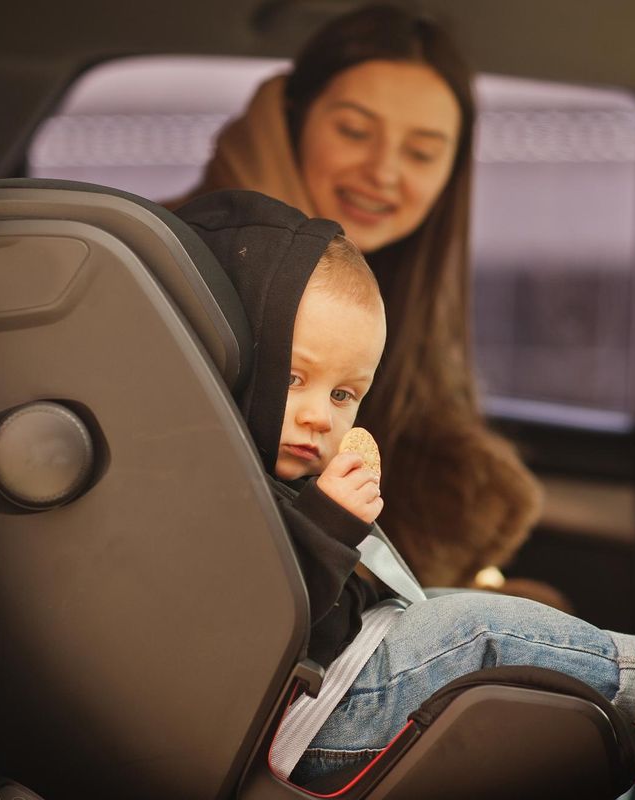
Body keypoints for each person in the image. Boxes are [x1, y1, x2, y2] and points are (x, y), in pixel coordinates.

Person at [176, 189, 635, 786]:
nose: (320, 416)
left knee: (441, 608)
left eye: (343, 395)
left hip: (327, 686)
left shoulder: (267, 475)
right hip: (306, 723)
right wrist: (326, 528)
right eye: (291, 377)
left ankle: (615, 658)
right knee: (475, 631)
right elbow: (251, 620)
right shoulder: (206, 486)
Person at [172, 3, 541, 589]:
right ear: (292, 122)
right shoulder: (182, 279)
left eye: (420, 152)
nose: (384, 172)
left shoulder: (408, 303)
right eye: (353, 131)